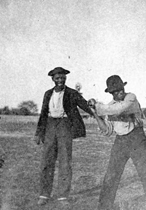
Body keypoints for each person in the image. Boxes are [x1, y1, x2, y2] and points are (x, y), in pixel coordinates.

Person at [88, 75, 146, 210]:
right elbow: (107, 131)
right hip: (120, 141)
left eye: (120, 90)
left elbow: (119, 109)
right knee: (111, 176)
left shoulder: (131, 98)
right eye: (115, 92)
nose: (119, 93)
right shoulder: (109, 106)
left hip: (137, 139)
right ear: (111, 93)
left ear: (123, 88)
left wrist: (97, 106)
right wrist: (94, 113)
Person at [33, 67, 94, 206]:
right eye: (57, 78)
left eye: (62, 78)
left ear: (65, 78)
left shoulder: (72, 93)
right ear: (53, 79)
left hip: (65, 125)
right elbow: (43, 113)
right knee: (47, 160)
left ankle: (63, 196)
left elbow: (85, 105)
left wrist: (96, 114)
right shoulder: (48, 94)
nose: (60, 80)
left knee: (65, 161)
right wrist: (38, 133)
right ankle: (44, 194)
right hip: (49, 125)